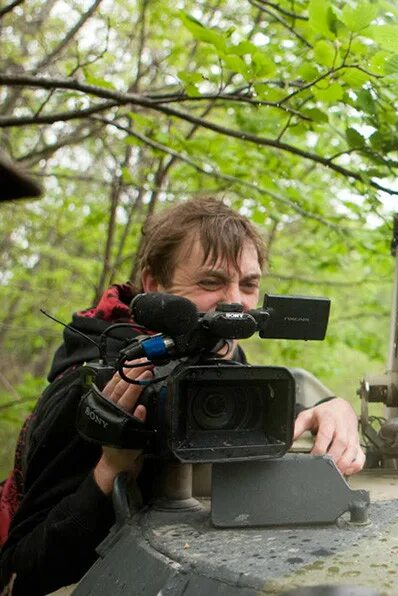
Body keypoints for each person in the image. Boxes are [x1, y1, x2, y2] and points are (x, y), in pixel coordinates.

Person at [0, 197, 364, 595]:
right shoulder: (99, 387)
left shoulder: (222, 355)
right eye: (210, 282)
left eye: (249, 284)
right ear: (154, 285)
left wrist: (327, 408)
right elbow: (22, 569)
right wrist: (109, 470)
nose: (236, 302)